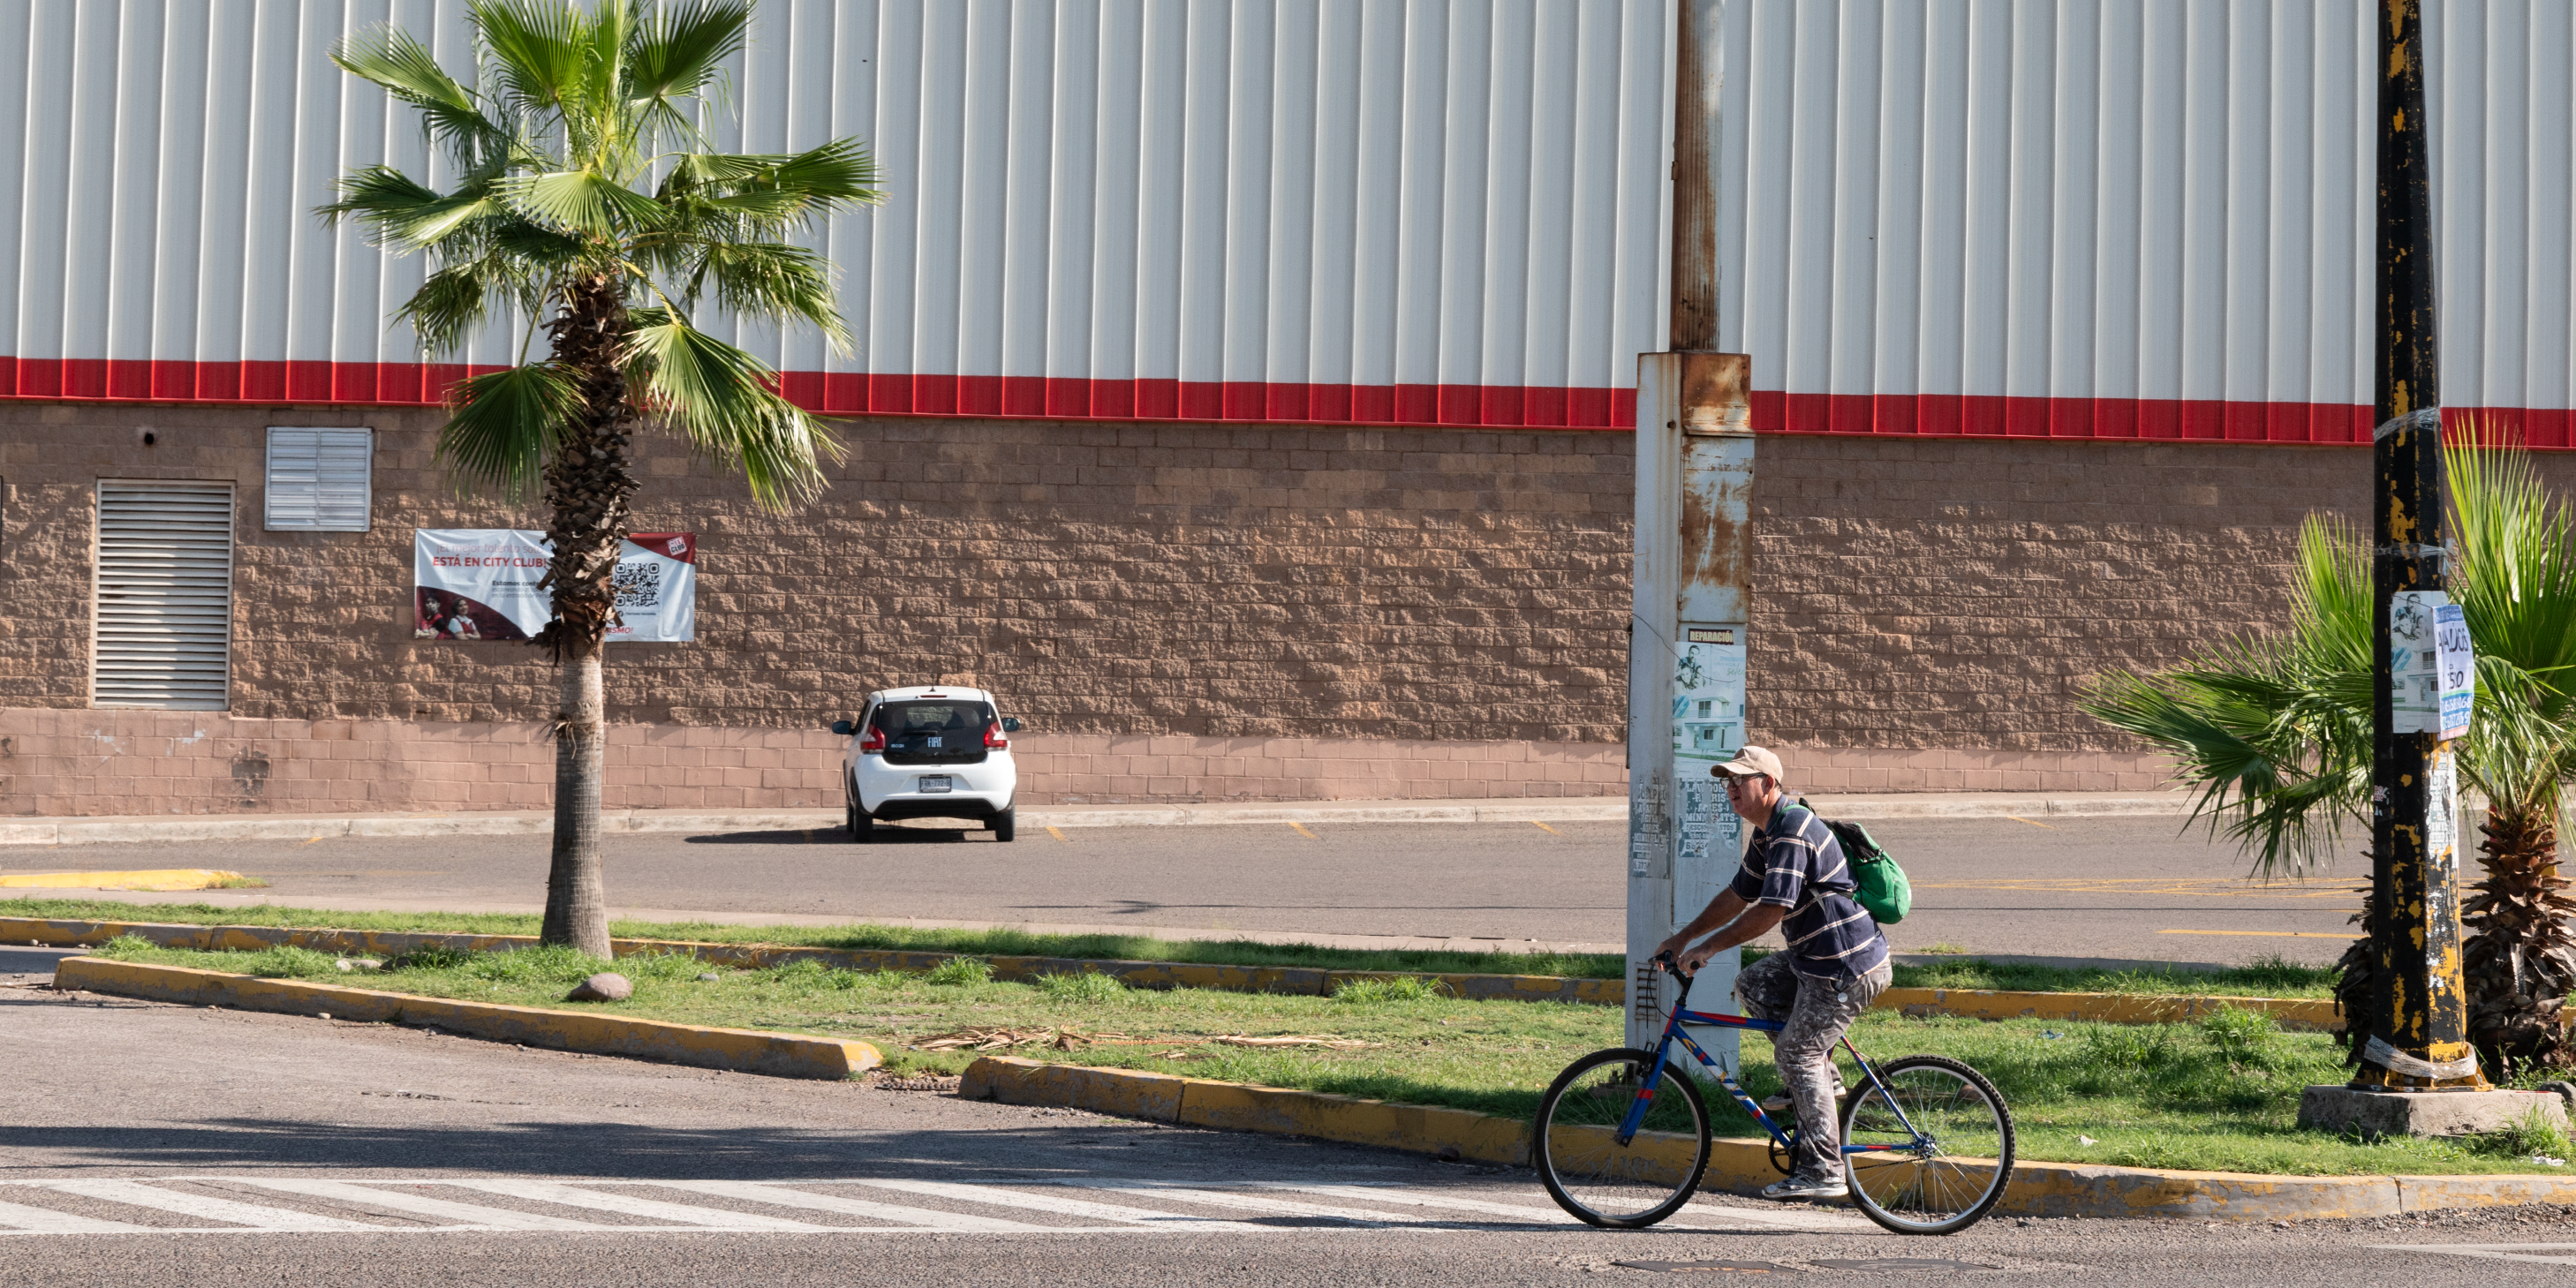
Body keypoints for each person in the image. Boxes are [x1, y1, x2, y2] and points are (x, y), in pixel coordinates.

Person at [1655, 745, 1891, 1202]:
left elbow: (1772, 909)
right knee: (1754, 985)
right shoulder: (1767, 832)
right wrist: (1681, 939)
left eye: (1739, 781)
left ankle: (1824, 1169)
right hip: (1814, 962)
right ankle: (1826, 1077)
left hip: (1844, 967)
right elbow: (1738, 895)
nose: (1731, 790)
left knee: (1797, 1053)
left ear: (1768, 784)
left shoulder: (1792, 829)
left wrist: (1709, 947)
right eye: (1726, 783)